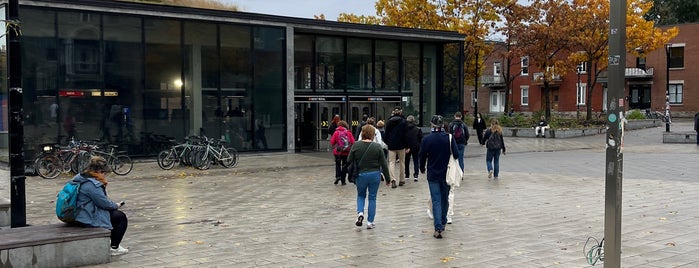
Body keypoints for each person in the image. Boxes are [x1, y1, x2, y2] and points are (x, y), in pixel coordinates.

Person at [71, 156, 129, 256]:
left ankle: (111, 242)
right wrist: (116, 205)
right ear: (99, 171)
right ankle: (114, 247)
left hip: (79, 212)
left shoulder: (82, 177)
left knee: (112, 215)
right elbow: (104, 203)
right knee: (120, 217)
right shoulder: (92, 184)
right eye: (104, 173)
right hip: (85, 216)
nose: (105, 175)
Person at [419, 115, 458, 239]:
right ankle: (443, 221)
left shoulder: (427, 139)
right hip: (446, 173)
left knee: (436, 200)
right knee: (444, 198)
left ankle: (438, 227)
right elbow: (456, 154)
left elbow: (422, 156)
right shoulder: (449, 138)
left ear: (432, 125)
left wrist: (422, 168)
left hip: (433, 173)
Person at [349, 124, 390, 230]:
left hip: (361, 175)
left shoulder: (356, 145)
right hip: (374, 174)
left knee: (361, 195)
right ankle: (370, 222)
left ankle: (360, 213)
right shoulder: (377, 147)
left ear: (362, 133)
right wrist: (388, 178)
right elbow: (384, 164)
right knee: (372, 197)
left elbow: (349, 160)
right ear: (372, 134)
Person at [384, 107, 409, 188]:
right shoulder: (404, 122)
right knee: (402, 162)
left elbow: (386, 134)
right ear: (400, 112)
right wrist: (407, 145)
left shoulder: (389, 122)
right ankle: (401, 179)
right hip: (401, 145)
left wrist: (388, 142)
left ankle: (393, 179)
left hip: (391, 145)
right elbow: (406, 134)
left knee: (391, 162)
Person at [330, 120, 355, 185]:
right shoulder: (348, 132)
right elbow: (353, 142)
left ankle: (338, 176)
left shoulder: (336, 132)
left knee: (338, 164)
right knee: (344, 166)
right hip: (346, 152)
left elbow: (332, 142)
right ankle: (343, 181)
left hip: (338, 152)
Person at [404, 115, 422, 182]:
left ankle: (407, 175)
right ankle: (416, 175)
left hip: (407, 147)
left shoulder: (405, 129)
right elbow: (421, 139)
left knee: (406, 161)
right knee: (416, 161)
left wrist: (406, 146)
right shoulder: (418, 129)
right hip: (416, 147)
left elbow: (404, 139)